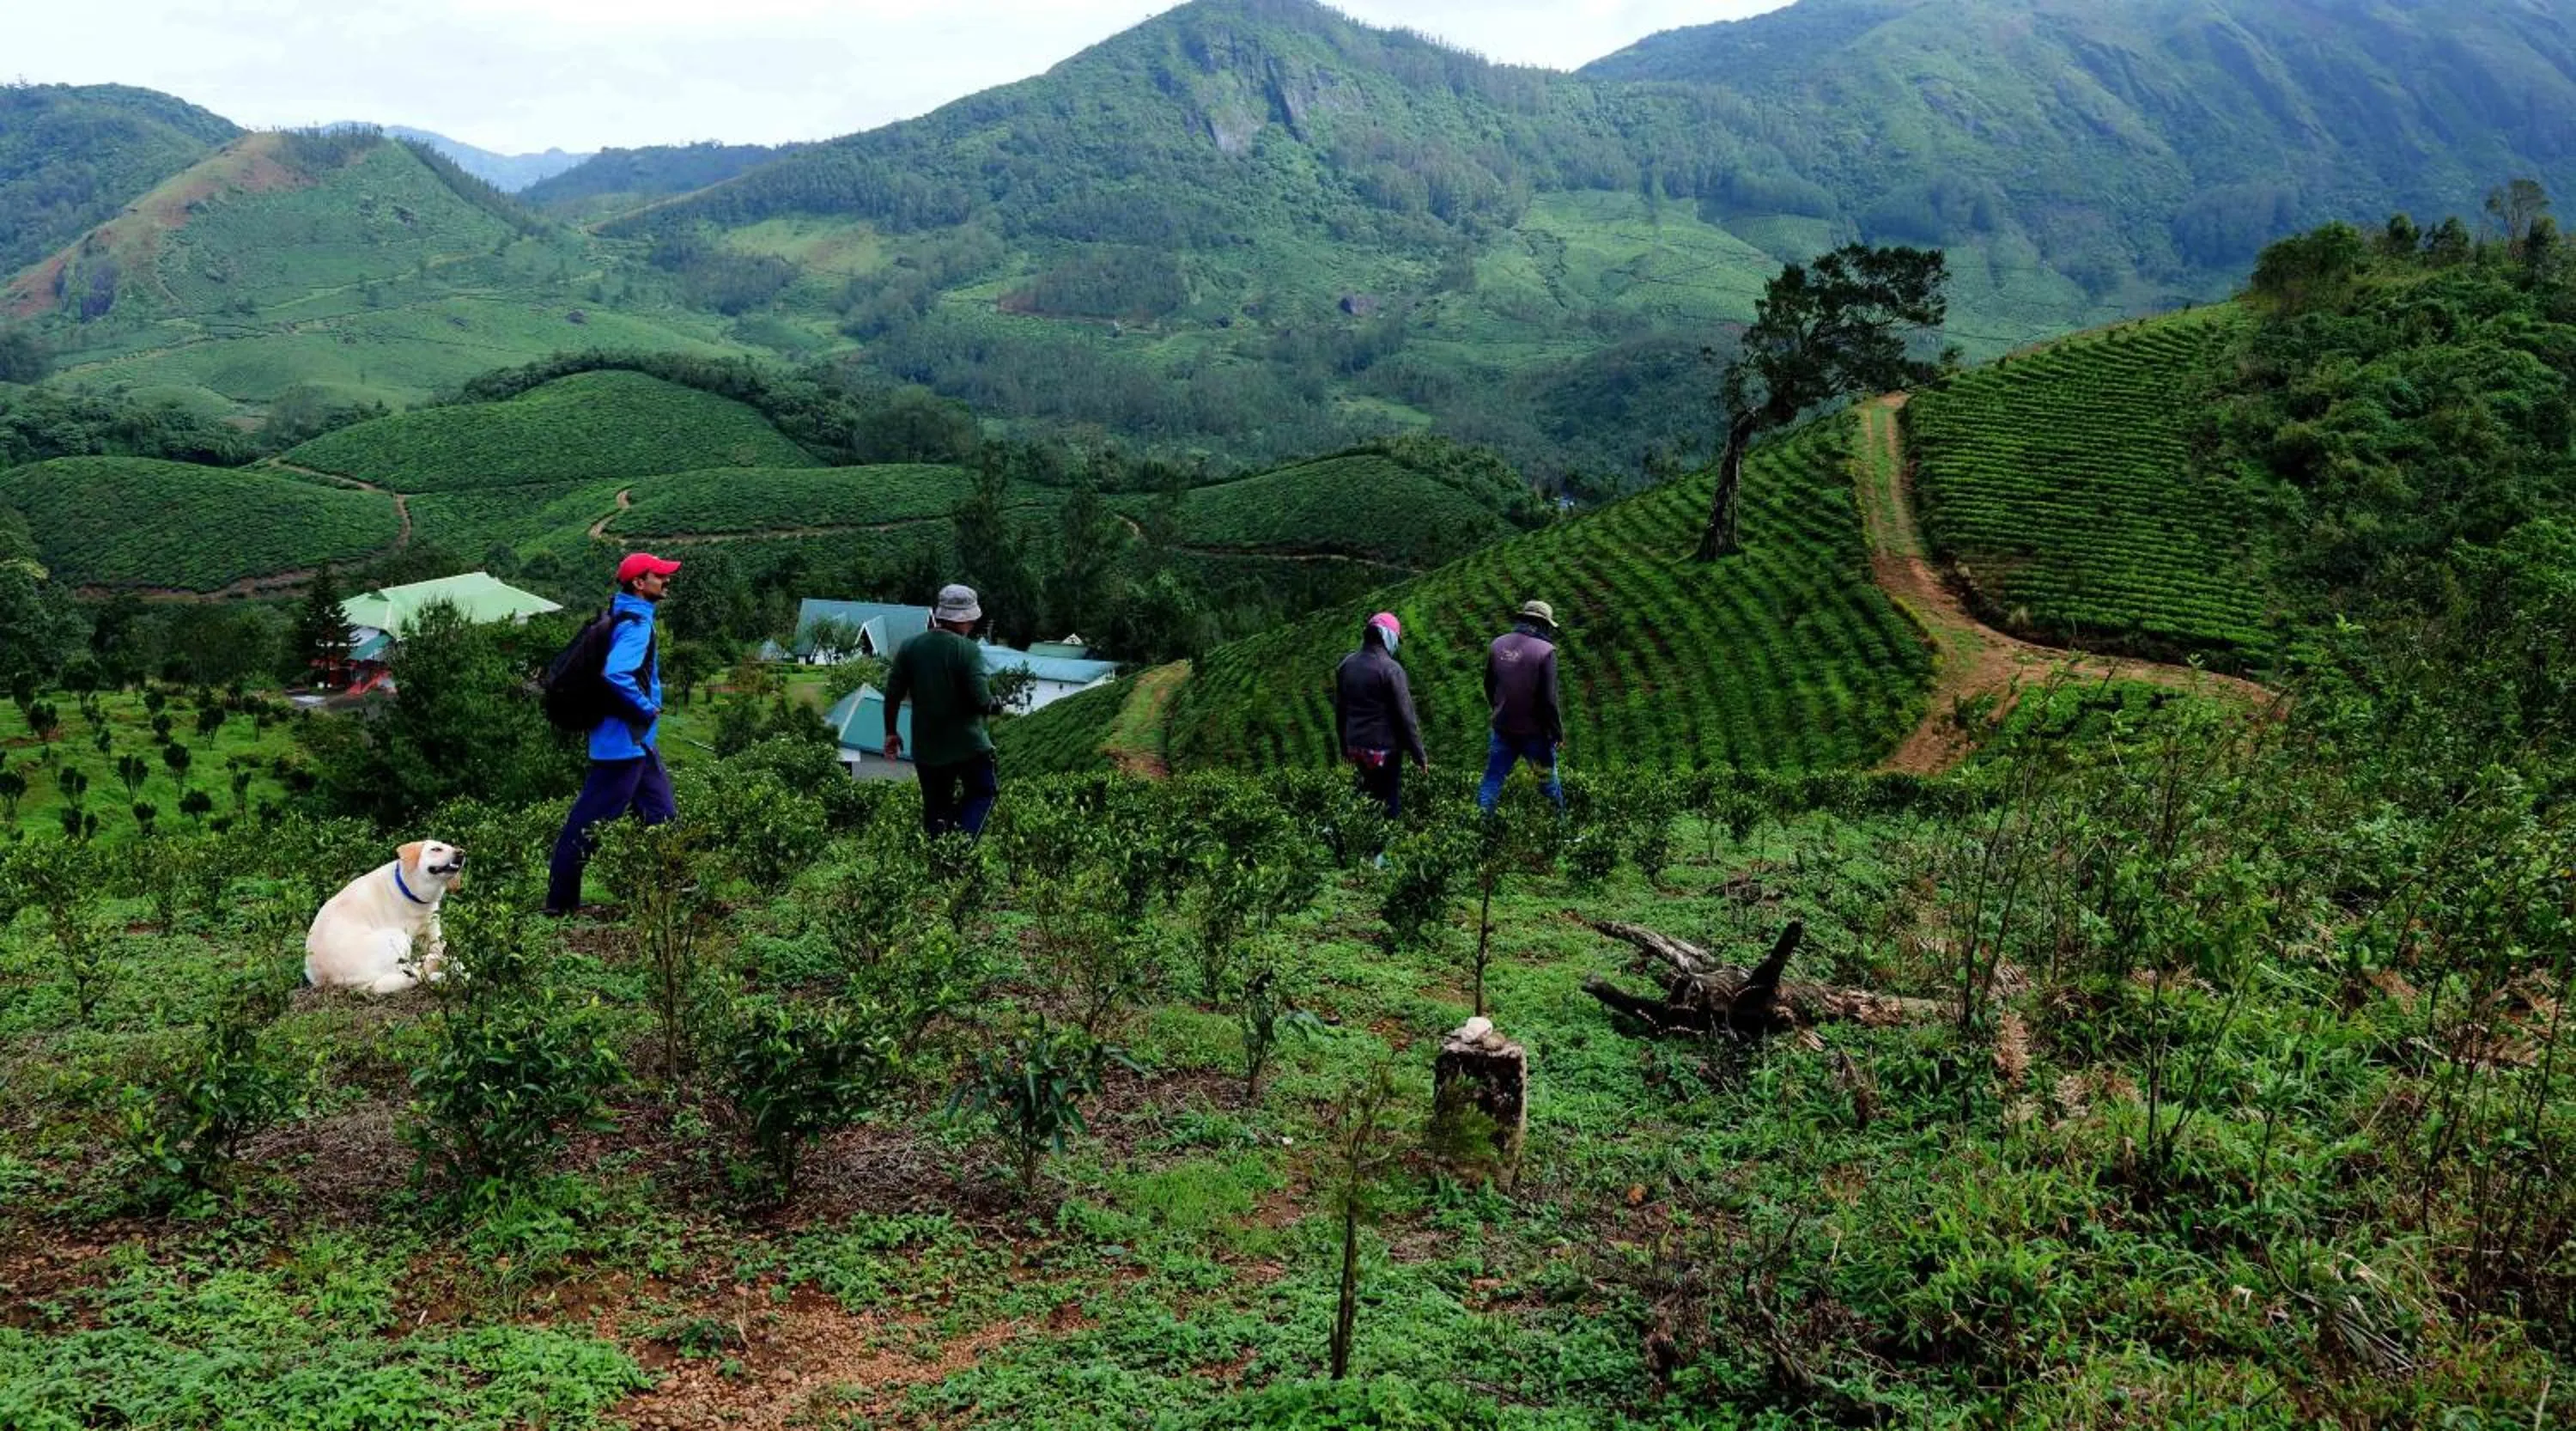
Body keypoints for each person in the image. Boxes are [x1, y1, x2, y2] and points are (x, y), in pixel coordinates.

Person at [546, 551, 679, 915]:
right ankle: (560, 905)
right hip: (621, 745)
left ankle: (673, 890)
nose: (667, 580)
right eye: (660, 576)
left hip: (637, 743)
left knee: (662, 815)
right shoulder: (635, 624)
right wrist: (645, 708)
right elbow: (617, 674)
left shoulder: (623, 615)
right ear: (639, 583)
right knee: (587, 826)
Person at [884, 582, 1003, 838]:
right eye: (971, 618)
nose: (972, 624)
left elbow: (892, 695)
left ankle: (940, 859)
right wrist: (995, 705)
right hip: (969, 745)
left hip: (928, 748)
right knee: (984, 792)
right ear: (964, 619)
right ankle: (961, 846)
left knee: (936, 810)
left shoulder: (910, 648)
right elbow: (981, 699)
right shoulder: (968, 650)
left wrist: (891, 733)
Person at [1333, 611, 1427, 818]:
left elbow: (1340, 711)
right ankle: (1383, 847)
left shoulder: (1346, 665)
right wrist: (1419, 755)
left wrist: (1344, 747)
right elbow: (1406, 717)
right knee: (1389, 800)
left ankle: (1357, 839)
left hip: (1355, 744)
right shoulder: (1391, 669)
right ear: (1389, 637)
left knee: (1367, 794)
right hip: (1383, 749)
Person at [1478, 598, 1564, 813]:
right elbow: (1549, 699)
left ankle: (1477, 828)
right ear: (1544, 624)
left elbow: (1489, 684)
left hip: (1502, 727)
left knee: (1492, 780)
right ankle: (1560, 833)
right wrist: (1557, 732)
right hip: (1535, 733)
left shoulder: (1497, 644)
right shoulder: (1546, 651)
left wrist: (1498, 708)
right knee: (1548, 784)